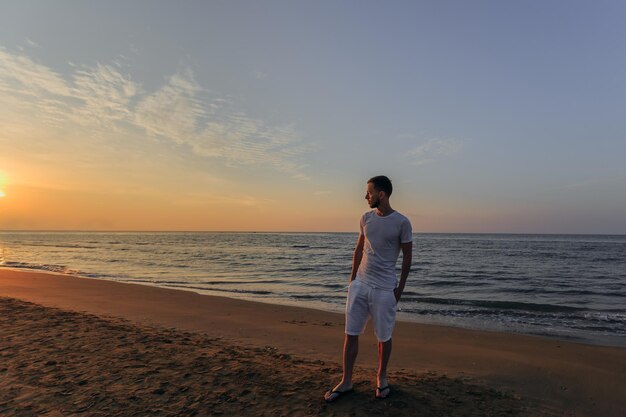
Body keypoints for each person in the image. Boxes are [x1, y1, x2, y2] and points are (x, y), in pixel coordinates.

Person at [324, 175, 413, 402]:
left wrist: (399, 290)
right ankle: (346, 381)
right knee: (351, 334)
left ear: (381, 194)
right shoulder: (365, 218)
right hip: (360, 285)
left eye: (369, 192)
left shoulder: (402, 223)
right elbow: (359, 249)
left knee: (384, 337)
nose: (366, 196)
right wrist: (352, 281)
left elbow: (407, 259)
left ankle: (381, 379)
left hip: (385, 289)